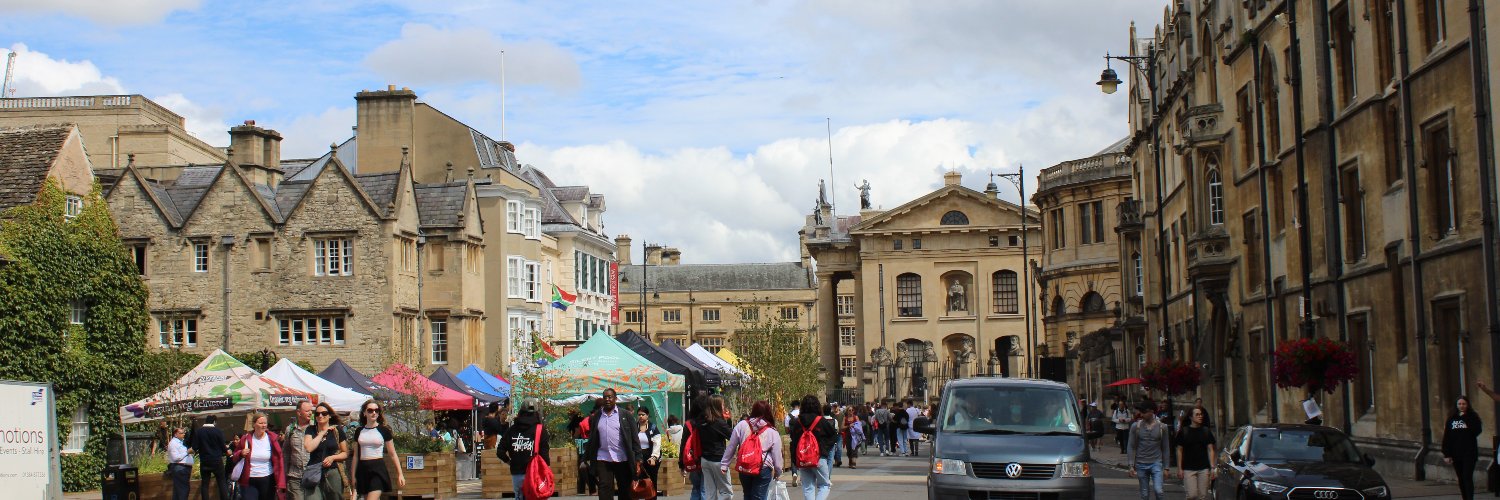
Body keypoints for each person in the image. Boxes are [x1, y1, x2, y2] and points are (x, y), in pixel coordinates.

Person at [720, 401, 782, 500]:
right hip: (763, 467)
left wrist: (724, 464)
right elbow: (777, 454)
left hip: (745, 465)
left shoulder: (742, 425)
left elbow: (731, 446)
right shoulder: (772, 431)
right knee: (759, 497)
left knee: (747, 495)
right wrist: (778, 471)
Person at [586, 388, 639, 500]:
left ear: (615, 398)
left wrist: (638, 458)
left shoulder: (625, 415)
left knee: (624, 488)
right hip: (603, 457)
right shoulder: (597, 416)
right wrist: (586, 457)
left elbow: (634, 438)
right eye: (605, 397)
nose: (607, 399)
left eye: (610, 397)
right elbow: (592, 438)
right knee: (604, 487)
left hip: (622, 458)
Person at [351, 400, 405, 500]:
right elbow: (355, 456)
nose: (374, 413)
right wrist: (353, 476)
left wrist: (400, 474)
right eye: (370, 410)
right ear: (364, 413)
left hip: (378, 469)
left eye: (376, 410)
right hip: (363, 469)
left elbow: (392, 454)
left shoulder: (384, 430)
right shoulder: (359, 431)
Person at [499, 398, 550, 500]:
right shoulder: (540, 430)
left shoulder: (512, 430)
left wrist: (509, 462)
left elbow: (500, 451)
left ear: (521, 412)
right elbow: (544, 456)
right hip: (535, 474)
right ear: (536, 412)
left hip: (517, 473)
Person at [684, 394, 733, 500]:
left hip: (704, 460)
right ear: (718, 406)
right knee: (725, 491)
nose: (724, 407)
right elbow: (732, 436)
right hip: (718, 459)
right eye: (723, 404)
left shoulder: (701, 421)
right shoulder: (719, 423)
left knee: (709, 491)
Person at [790, 394, 837, 500]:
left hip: (803, 458)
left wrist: (794, 459)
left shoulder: (798, 422)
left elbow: (794, 441)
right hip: (819, 457)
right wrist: (824, 448)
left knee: (808, 487)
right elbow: (833, 435)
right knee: (824, 485)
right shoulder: (821, 420)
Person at [231, 412, 285, 500]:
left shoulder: (272, 439)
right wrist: (241, 453)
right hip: (249, 480)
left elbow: (279, 459)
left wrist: (280, 482)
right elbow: (235, 456)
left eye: (265, 423)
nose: (263, 425)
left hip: (267, 479)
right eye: (260, 423)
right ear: (254, 424)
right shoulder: (246, 438)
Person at [303, 402, 349, 500]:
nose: (320, 416)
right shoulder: (310, 430)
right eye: (317, 414)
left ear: (329, 416)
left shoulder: (337, 430)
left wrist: (333, 457)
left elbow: (345, 453)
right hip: (314, 472)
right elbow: (309, 448)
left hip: (333, 472)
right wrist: (322, 433)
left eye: (324, 413)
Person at [1442, 395, 1482, 500]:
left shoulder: (1473, 417)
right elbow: (1447, 436)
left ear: (1467, 405)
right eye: (1459, 404)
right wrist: (1446, 454)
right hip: (1456, 453)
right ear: (1456, 405)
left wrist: (1465, 418)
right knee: (1461, 478)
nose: (1461, 406)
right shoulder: (1451, 418)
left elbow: (1477, 431)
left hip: (1469, 453)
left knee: (1467, 477)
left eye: (1464, 404)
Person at [1128, 402, 1170, 500]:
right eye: (1140, 412)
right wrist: (1130, 465)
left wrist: (1166, 468)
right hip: (1140, 464)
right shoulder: (1135, 426)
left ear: (1151, 412)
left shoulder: (1162, 427)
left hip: (1156, 463)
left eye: (1143, 412)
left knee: (1158, 491)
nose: (1141, 415)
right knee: (1144, 494)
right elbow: (1131, 446)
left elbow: (1166, 448)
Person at [1175, 407, 1217, 500]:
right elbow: (1179, 450)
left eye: (1201, 414)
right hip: (1188, 468)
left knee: (1203, 496)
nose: (1200, 416)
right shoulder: (1184, 431)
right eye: (1197, 414)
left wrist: (1213, 467)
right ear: (1191, 417)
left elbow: (1211, 449)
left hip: (1204, 468)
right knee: (1192, 495)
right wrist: (1179, 468)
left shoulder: (1206, 431)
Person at [189, 415, 230, 500]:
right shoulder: (218, 431)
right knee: (221, 482)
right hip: (217, 461)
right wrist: (227, 451)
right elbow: (223, 447)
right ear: (214, 422)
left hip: (204, 461)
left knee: (205, 484)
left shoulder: (199, 432)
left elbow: (194, 447)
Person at [283, 401, 313, 500]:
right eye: (307, 411)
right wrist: (284, 475)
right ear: (299, 412)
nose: (310, 413)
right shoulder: (290, 429)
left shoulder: (315, 428)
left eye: (311, 410)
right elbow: (286, 452)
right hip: (294, 476)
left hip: (312, 475)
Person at [568, 408, 598, 496]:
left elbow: (577, 435)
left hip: (582, 445)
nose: (569, 417)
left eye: (570, 415)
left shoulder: (578, 423)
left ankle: (589, 489)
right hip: (584, 445)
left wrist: (574, 439)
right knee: (583, 467)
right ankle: (584, 489)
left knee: (583, 466)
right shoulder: (584, 422)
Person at [636, 406, 663, 496]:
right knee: (638, 480)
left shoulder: (653, 428)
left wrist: (654, 457)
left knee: (651, 480)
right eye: (639, 415)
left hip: (650, 457)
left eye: (643, 414)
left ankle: (652, 496)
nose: (640, 416)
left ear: (647, 415)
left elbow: (657, 443)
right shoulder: (634, 427)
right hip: (638, 457)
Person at [166, 425, 193, 500]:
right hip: (180, 468)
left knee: (178, 491)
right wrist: (187, 452)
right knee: (183, 490)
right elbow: (175, 458)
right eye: (181, 433)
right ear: (176, 434)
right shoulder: (173, 443)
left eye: (184, 433)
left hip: (184, 468)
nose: (183, 434)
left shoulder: (181, 442)